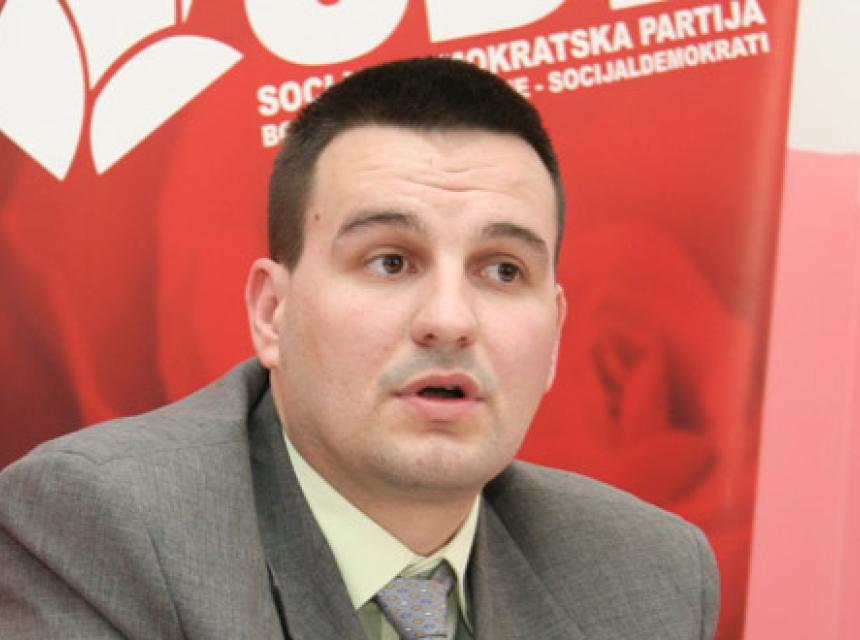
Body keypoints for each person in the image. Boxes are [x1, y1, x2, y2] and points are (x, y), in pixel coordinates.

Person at [0, 57, 718, 639]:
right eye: (390, 262)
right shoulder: (103, 526)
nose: (449, 320)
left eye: (503, 270)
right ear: (272, 312)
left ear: (555, 334)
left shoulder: (648, 571)